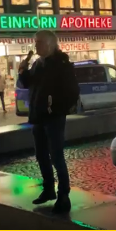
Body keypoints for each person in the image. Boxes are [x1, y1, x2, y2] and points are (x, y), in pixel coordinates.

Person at [18, 30, 79, 214]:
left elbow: (72, 92)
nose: (36, 45)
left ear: (50, 44)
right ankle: (48, 189)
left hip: (53, 118)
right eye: (35, 42)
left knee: (56, 156)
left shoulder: (61, 64)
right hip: (38, 117)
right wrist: (23, 70)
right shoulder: (39, 63)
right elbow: (27, 83)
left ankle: (64, 196)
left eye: (39, 42)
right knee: (41, 155)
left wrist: (55, 108)